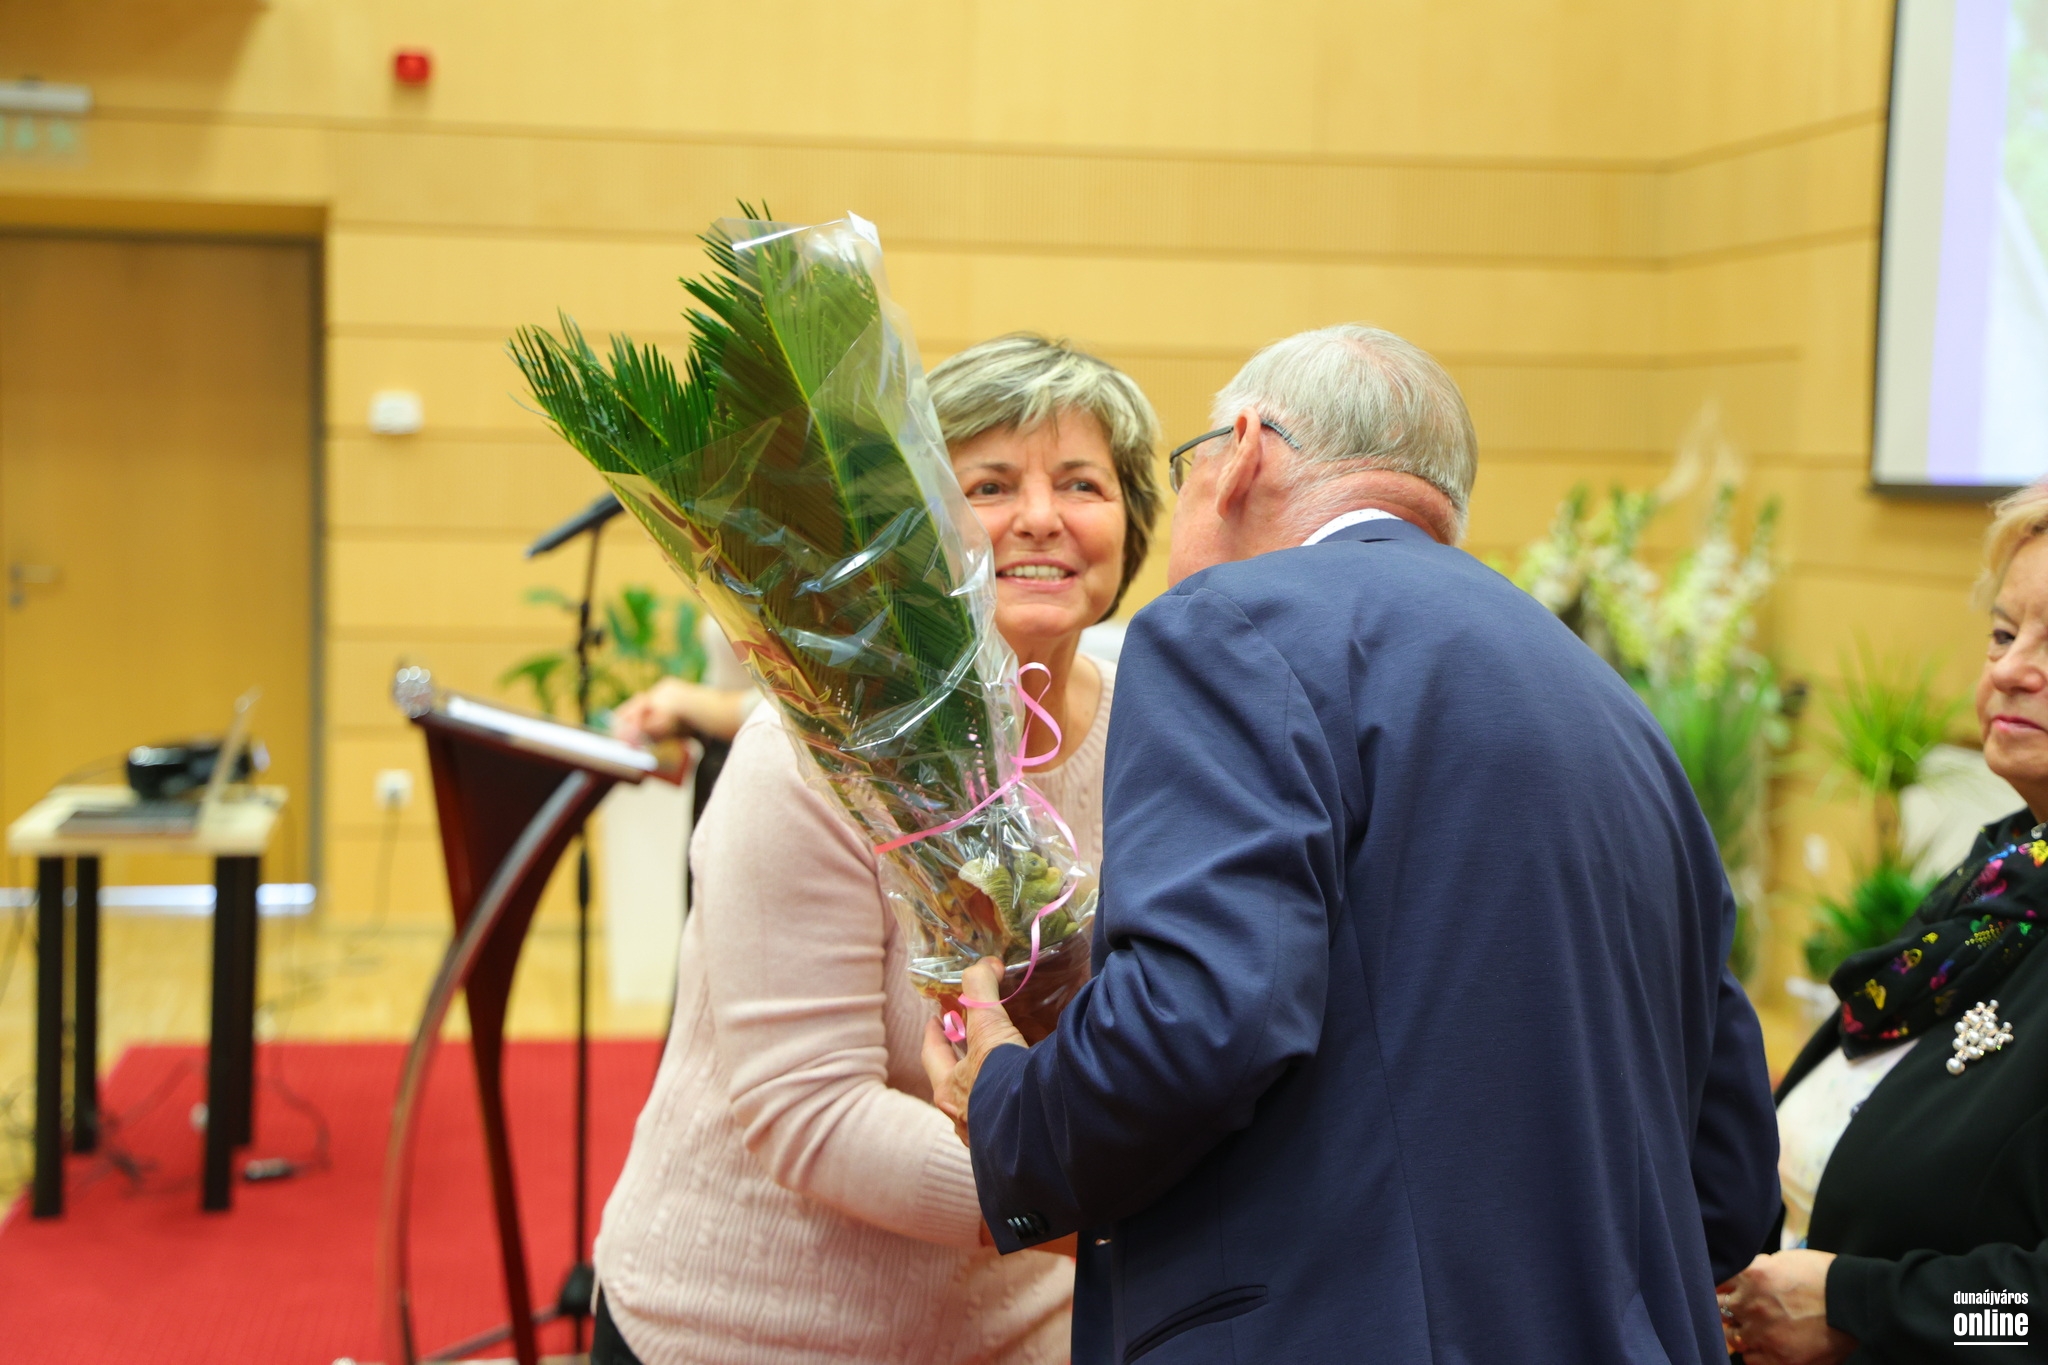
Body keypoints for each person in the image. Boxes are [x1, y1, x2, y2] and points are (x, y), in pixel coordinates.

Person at [925, 324, 1781, 1364]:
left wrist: (1005, 1105)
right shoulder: (1614, 708)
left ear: (1241, 452)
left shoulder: (1230, 626)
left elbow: (1198, 1029)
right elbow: (1729, 1184)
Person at [589, 334, 1163, 1365]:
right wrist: (1097, 1213)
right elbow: (808, 1111)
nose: (1041, 516)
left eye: (1082, 483)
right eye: (990, 485)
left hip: (1028, 1332)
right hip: (751, 1332)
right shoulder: (813, 755)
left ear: (1130, 520)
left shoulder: (1154, 737)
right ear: (909, 525)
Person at [1718, 481, 2048, 1365]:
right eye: (2005, 634)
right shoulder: (2009, 871)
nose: (2011, 670)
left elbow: (2033, 1316)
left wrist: (1862, 1309)